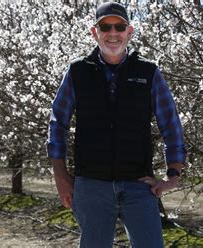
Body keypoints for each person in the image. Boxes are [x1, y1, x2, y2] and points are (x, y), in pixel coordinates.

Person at [47, 2, 186, 247]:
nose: (113, 33)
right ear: (95, 32)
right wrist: (60, 175)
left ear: (129, 32)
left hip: (139, 186)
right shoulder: (77, 72)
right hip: (91, 186)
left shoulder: (148, 72)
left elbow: (170, 124)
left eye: (119, 27)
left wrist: (173, 174)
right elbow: (58, 123)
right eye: (105, 26)